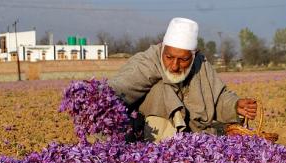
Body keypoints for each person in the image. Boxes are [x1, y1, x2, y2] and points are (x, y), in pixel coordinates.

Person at [109, 17, 257, 142]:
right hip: (152, 138)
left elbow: (218, 97)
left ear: (194, 55)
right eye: (169, 57)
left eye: (183, 59)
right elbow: (121, 87)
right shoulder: (146, 62)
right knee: (162, 88)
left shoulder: (201, 64)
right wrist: (98, 97)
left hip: (194, 137)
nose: (174, 66)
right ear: (163, 49)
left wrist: (235, 105)